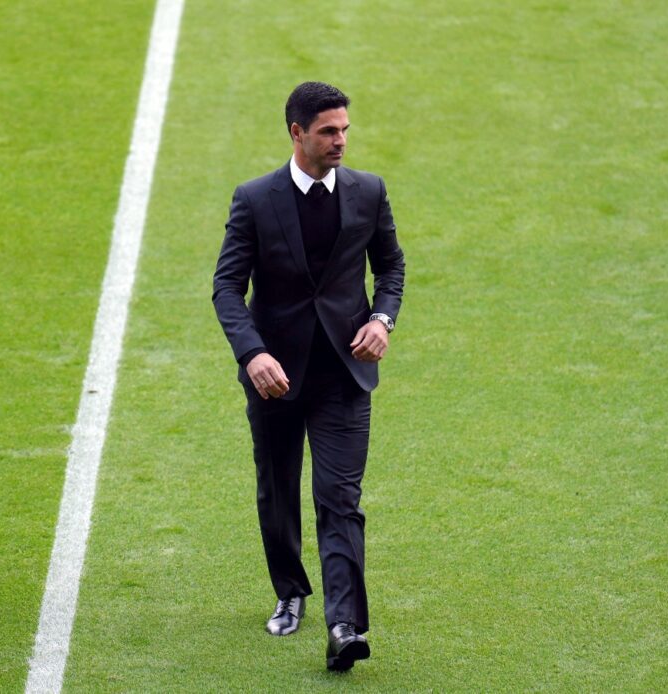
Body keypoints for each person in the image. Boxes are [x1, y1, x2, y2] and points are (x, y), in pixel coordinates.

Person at [212, 82, 405, 671]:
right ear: (297, 133)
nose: (340, 140)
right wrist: (252, 354)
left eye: (344, 129)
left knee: (340, 498)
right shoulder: (254, 198)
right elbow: (226, 286)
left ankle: (344, 625)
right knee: (278, 488)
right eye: (328, 131)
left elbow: (391, 265)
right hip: (275, 377)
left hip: (345, 375)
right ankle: (290, 590)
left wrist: (382, 318)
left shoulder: (369, 191)